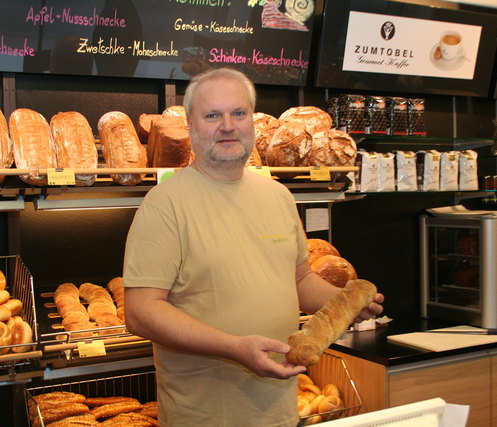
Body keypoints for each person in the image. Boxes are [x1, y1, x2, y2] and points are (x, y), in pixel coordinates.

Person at [123, 67, 384, 426]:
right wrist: (234, 348)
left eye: (239, 113)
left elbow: (298, 279)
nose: (228, 125)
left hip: (279, 410)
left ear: (252, 123)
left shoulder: (277, 195)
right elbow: (140, 311)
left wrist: (344, 304)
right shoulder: (164, 204)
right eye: (212, 115)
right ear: (192, 125)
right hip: (204, 416)